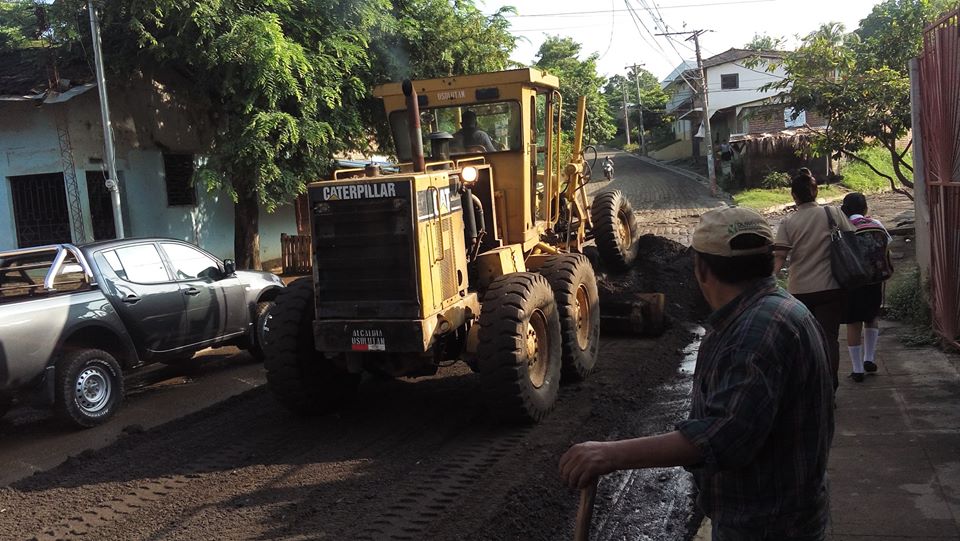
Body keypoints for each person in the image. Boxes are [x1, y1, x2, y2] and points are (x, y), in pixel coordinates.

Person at [560, 207, 834, 541]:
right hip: (781, 514)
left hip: (764, 525)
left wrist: (609, 454)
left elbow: (720, 437)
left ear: (701, 268)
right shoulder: (777, 311)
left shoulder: (755, 333)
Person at [773, 169, 854, 391]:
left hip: (799, 290)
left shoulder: (788, 222)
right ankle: (830, 389)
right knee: (829, 339)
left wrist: (769, 281)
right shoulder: (833, 213)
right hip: (831, 288)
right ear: (815, 191)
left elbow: (779, 256)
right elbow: (852, 236)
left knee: (804, 342)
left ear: (794, 196)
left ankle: (810, 389)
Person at [839, 192, 890, 382]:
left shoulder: (843, 228)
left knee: (853, 323)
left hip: (852, 283)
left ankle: (857, 368)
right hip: (874, 281)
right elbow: (887, 246)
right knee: (871, 318)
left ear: (844, 209)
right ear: (865, 208)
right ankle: (869, 358)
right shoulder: (876, 224)